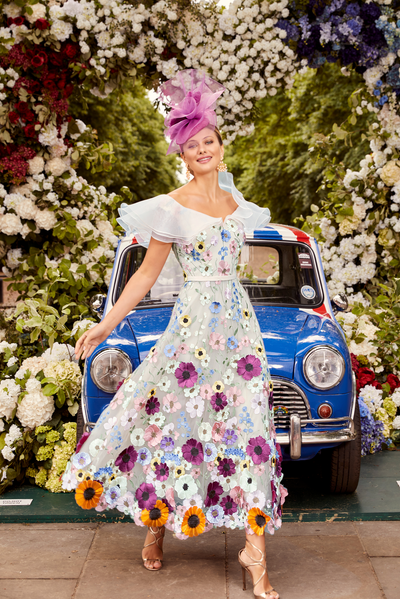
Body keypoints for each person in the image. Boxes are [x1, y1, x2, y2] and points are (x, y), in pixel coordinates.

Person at [63, 69, 287, 599]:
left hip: (239, 331)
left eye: (208, 140)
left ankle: (254, 553)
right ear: (182, 156)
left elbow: (243, 270)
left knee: (250, 431)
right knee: (171, 423)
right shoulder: (171, 207)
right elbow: (144, 275)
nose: (202, 149)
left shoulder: (240, 207)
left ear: (220, 145)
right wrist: (104, 324)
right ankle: (157, 519)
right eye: (192, 146)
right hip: (191, 332)